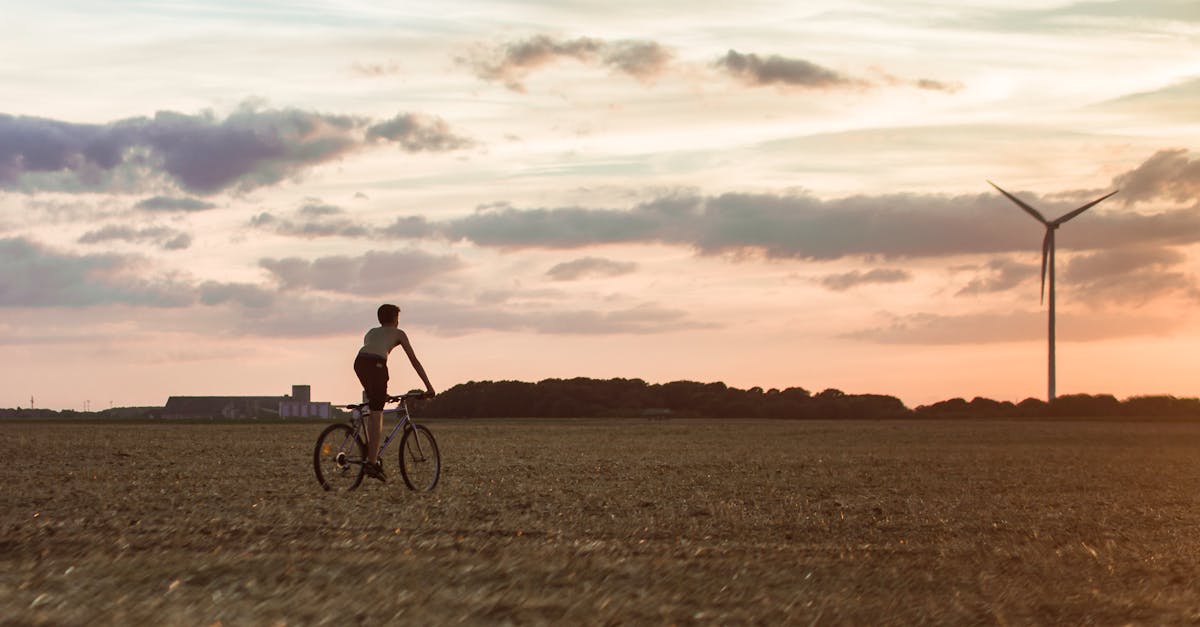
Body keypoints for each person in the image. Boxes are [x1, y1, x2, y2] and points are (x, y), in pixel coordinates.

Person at [354, 304, 435, 481]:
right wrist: (429, 387)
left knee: (376, 403)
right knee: (377, 413)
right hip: (376, 363)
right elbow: (414, 361)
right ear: (395, 319)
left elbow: (370, 355)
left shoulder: (370, 332)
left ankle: (369, 452)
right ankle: (372, 463)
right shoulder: (399, 333)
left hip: (359, 362)